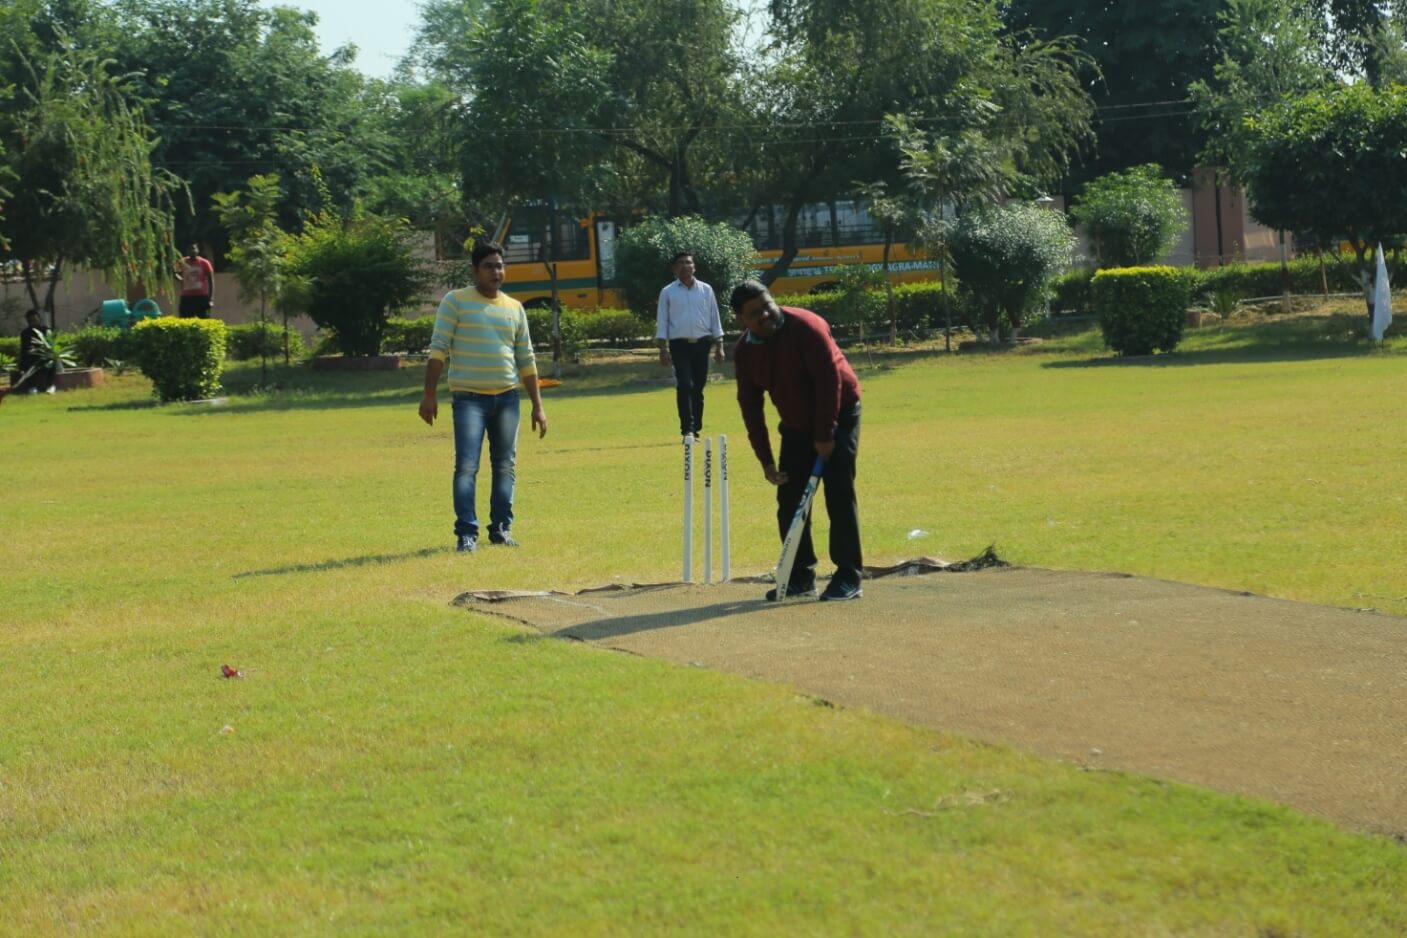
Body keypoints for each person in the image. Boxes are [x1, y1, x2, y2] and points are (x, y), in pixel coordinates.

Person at [731, 280, 864, 602]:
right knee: (790, 500)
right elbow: (750, 407)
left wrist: (825, 434)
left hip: (840, 413)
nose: (765, 314)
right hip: (795, 424)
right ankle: (800, 575)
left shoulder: (808, 326)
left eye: (767, 305)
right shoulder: (745, 352)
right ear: (742, 321)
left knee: (838, 492)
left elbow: (828, 382)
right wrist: (765, 459)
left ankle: (849, 576)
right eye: (755, 313)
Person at [419, 240, 548, 553]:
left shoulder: (515, 308)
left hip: (507, 398)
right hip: (469, 400)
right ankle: (466, 533)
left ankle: (501, 529)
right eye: (489, 266)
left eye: (500, 265)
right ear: (475, 270)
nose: (497, 271)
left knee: (505, 467)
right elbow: (438, 349)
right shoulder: (456, 301)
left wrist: (538, 406)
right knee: (466, 467)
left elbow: (526, 358)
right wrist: (429, 393)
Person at [655, 251, 724, 441]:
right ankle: (687, 429)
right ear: (674, 269)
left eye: (688, 262)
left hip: (702, 344)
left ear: (694, 266)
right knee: (685, 384)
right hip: (679, 345)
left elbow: (714, 317)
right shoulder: (668, 292)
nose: (685, 266)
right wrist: (662, 348)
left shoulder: (706, 289)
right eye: (681, 263)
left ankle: (696, 427)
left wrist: (719, 344)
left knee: (698, 388)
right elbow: (662, 321)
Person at [16, 309, 56, 394]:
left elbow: (50, 346)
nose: (33, 323)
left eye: (35, 320)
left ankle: (50, 386)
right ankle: (32, 387)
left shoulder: (46, 330)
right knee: (27, 360)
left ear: (39, 319)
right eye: (30, 321)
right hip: (32, 356)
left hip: (44, 355)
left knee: (51, 359)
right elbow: (24, 349)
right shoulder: (25, 333)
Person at [178, 243, 215, 318]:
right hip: (186, 297)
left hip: (201, 297)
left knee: (204, 320)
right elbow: (174, 272)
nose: (192, 250)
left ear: (197, 250)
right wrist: (181, 279)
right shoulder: (182, 262)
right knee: (185, 321)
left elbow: (211, 281)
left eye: (194, 248)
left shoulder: (204, 263)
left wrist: (210, 299)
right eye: (189, 249)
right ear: (187, 251)